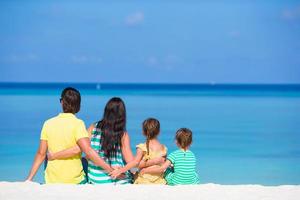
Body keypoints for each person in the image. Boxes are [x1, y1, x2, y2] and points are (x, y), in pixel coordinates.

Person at [26, 87, 113, 184]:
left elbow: (41, 154)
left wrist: (29, 179)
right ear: (79, 106)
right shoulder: (78, 124)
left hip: (52, 180)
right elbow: (88, 151)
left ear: (61, 102)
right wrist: (110, 169)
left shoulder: (48, 123)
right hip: (74, 180)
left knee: (47, 156)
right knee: (85, 161)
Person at [48, 97, 135, 184]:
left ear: (106, 112)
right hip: (118, 178)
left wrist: (55, 155)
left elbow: (78, 148)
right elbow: (131, 162)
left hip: (96, 179)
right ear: (122, 116)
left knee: (85, 159)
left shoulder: (93, 127)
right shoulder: (123, 135)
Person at [110, 118, 167, 184]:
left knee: (132, 170)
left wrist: (120, 170)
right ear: (159, 132)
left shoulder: (142, 147)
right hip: (159, 180)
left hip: (143, 180)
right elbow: (163, 166)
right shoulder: (163, 148)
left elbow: (135, 163)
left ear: (143, 132)